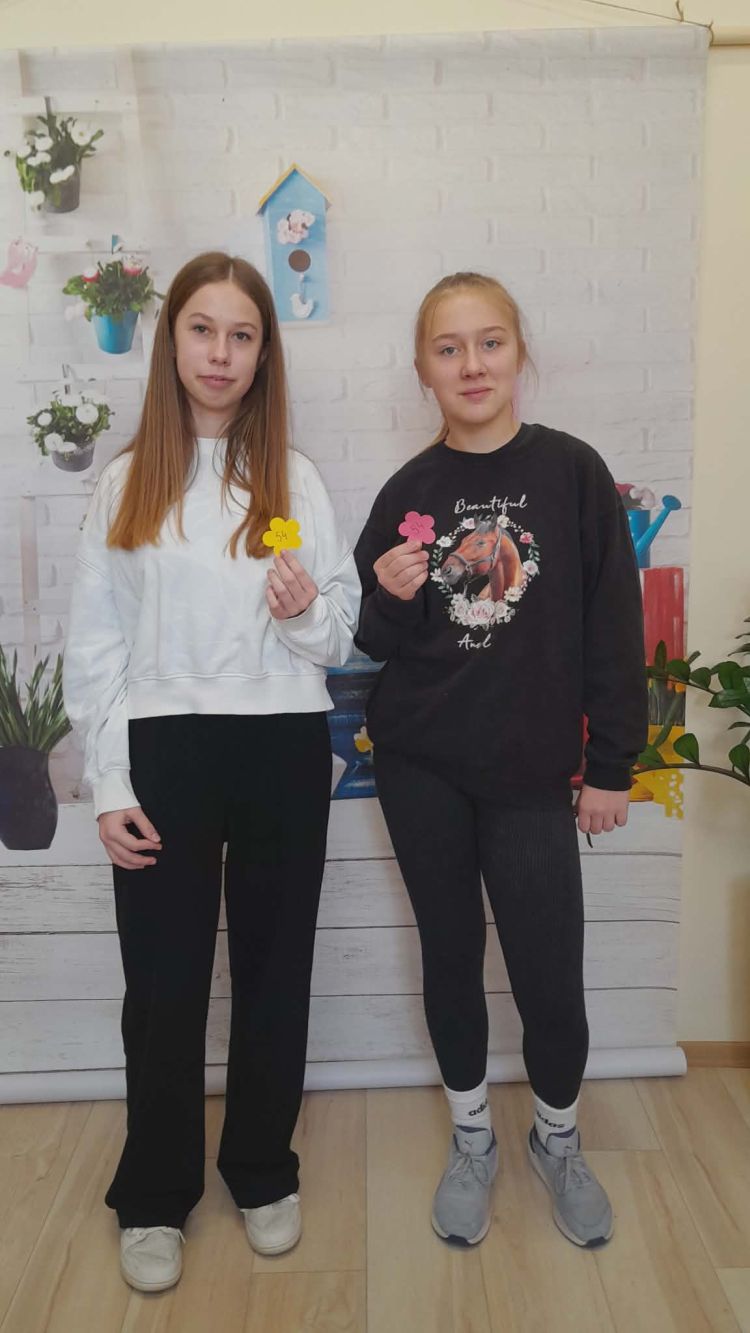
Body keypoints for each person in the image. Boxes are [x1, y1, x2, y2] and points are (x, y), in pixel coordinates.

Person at [63, 252, 360, 1291]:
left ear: (264, 353)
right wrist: (110, 783)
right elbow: (95, 647)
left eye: (242, 334)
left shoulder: (297, 478)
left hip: (282, 744)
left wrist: (304, 614)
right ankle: (154, 1193)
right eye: (203, 329)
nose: (221, 353)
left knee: (276, 970)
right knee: (165, 982)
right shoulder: (124, 482)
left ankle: (263, 1168)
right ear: (172, 340)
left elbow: (338, 632)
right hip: (166, 750)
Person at [353, 271, 647, 1249]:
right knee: (449, 954)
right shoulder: (407, 493)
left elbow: (614, 623)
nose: (471, 364)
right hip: (421, 763)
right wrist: (391, 596)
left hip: (532, 772)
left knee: (548, 972)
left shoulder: (572, 473)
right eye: (449, 348)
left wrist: (613, 763)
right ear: (422, 369)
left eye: (490, 342)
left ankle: (556, 1138)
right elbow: (375, 641)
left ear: (520, 353)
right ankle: (473, 1137)